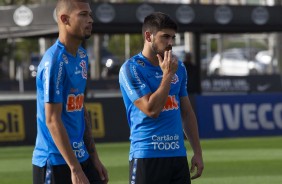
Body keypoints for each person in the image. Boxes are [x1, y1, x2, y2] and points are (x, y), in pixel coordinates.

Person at [119, 12, 204, 184]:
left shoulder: (178, 67)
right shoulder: (131, 68)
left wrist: (197, 152)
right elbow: (151, 109)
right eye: (165, 37)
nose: (170, 43)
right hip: (147, 155)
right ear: (148, 36)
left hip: (177, 156)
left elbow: (186, 113)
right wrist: (167, 76)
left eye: (173, 37)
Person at [32, 0, 108, 183]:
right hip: (55, 162)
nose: (90, 20)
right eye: (83, 15)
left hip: (81, 157)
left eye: (90, 14)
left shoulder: (82, 56)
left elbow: (80, 109)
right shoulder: (54, 61)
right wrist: (75, 169)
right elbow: (52, 119)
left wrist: (94, 158)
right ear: (64, 19)